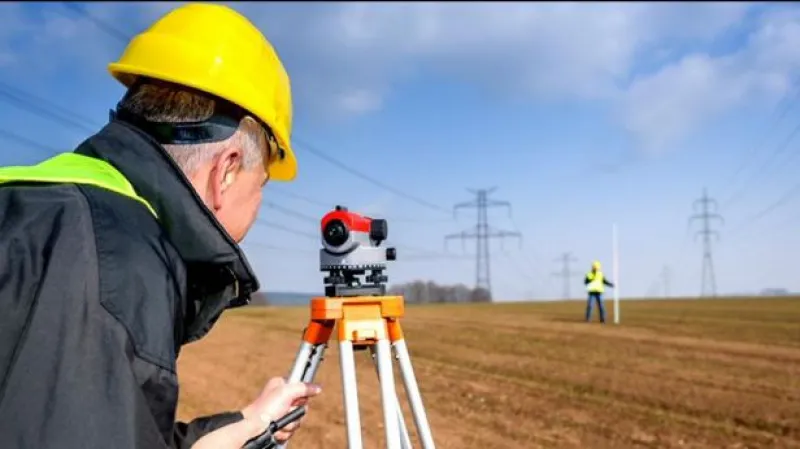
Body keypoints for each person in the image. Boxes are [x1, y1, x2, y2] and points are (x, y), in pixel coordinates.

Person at [0, 4, 321, 449]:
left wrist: (246, 423)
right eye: (262, 183)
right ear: (227, 170)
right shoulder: (114, 267)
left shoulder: (46, 209)